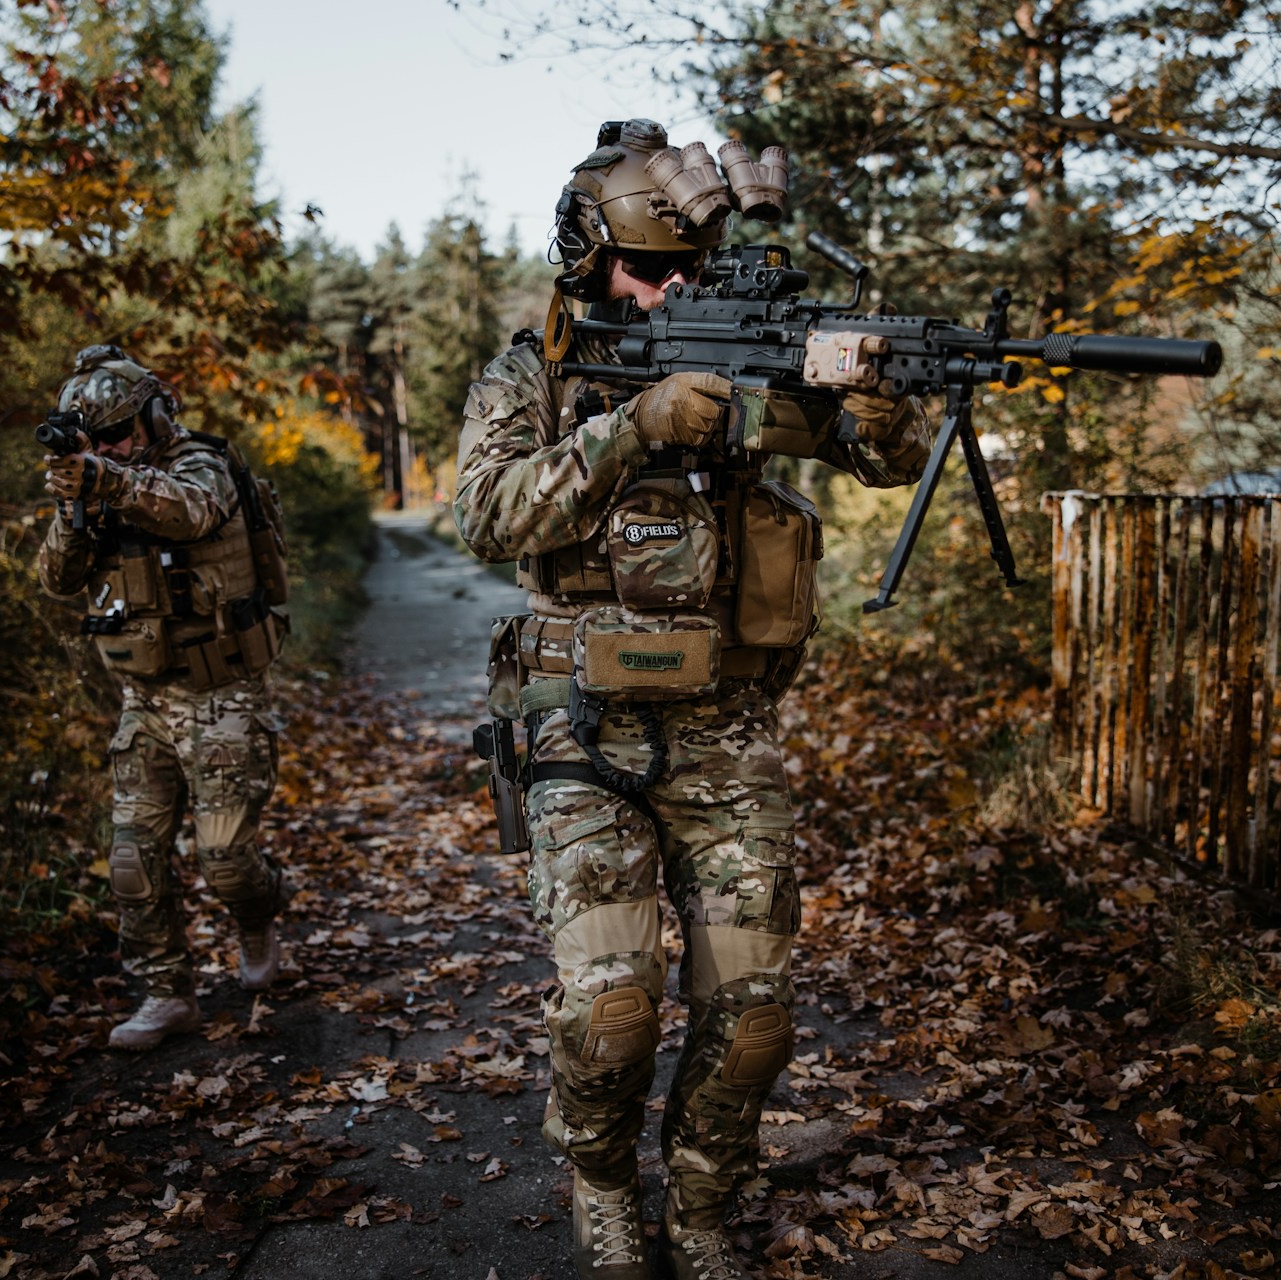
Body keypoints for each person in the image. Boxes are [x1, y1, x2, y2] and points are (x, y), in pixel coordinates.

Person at [453, 121, 930, 1280]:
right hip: (578, 720)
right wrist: (634, 426)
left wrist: (875, 409)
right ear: (586, 258)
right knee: (612, 1012)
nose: (669, 292)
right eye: (644, 271)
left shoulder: (744, 348)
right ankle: (606, 1182)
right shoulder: (535, 373)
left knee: (754, 1009)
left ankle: (708, 1198)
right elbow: (485, 514)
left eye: (685, 273)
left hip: (725, 724)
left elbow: (882, 456)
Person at [37, 344, 290, 1051]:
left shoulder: (199, 463)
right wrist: (71, 502)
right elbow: (57, 579)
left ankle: (261, 907)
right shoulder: (97, 484)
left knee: (226, 863)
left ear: (154, 417)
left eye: (120, 434)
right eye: (98, 440)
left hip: (220, 692)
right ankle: (166, 993)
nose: (111, 449)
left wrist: (105, 480)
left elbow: (193, 513)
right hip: (143, 697)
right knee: (132, 858)